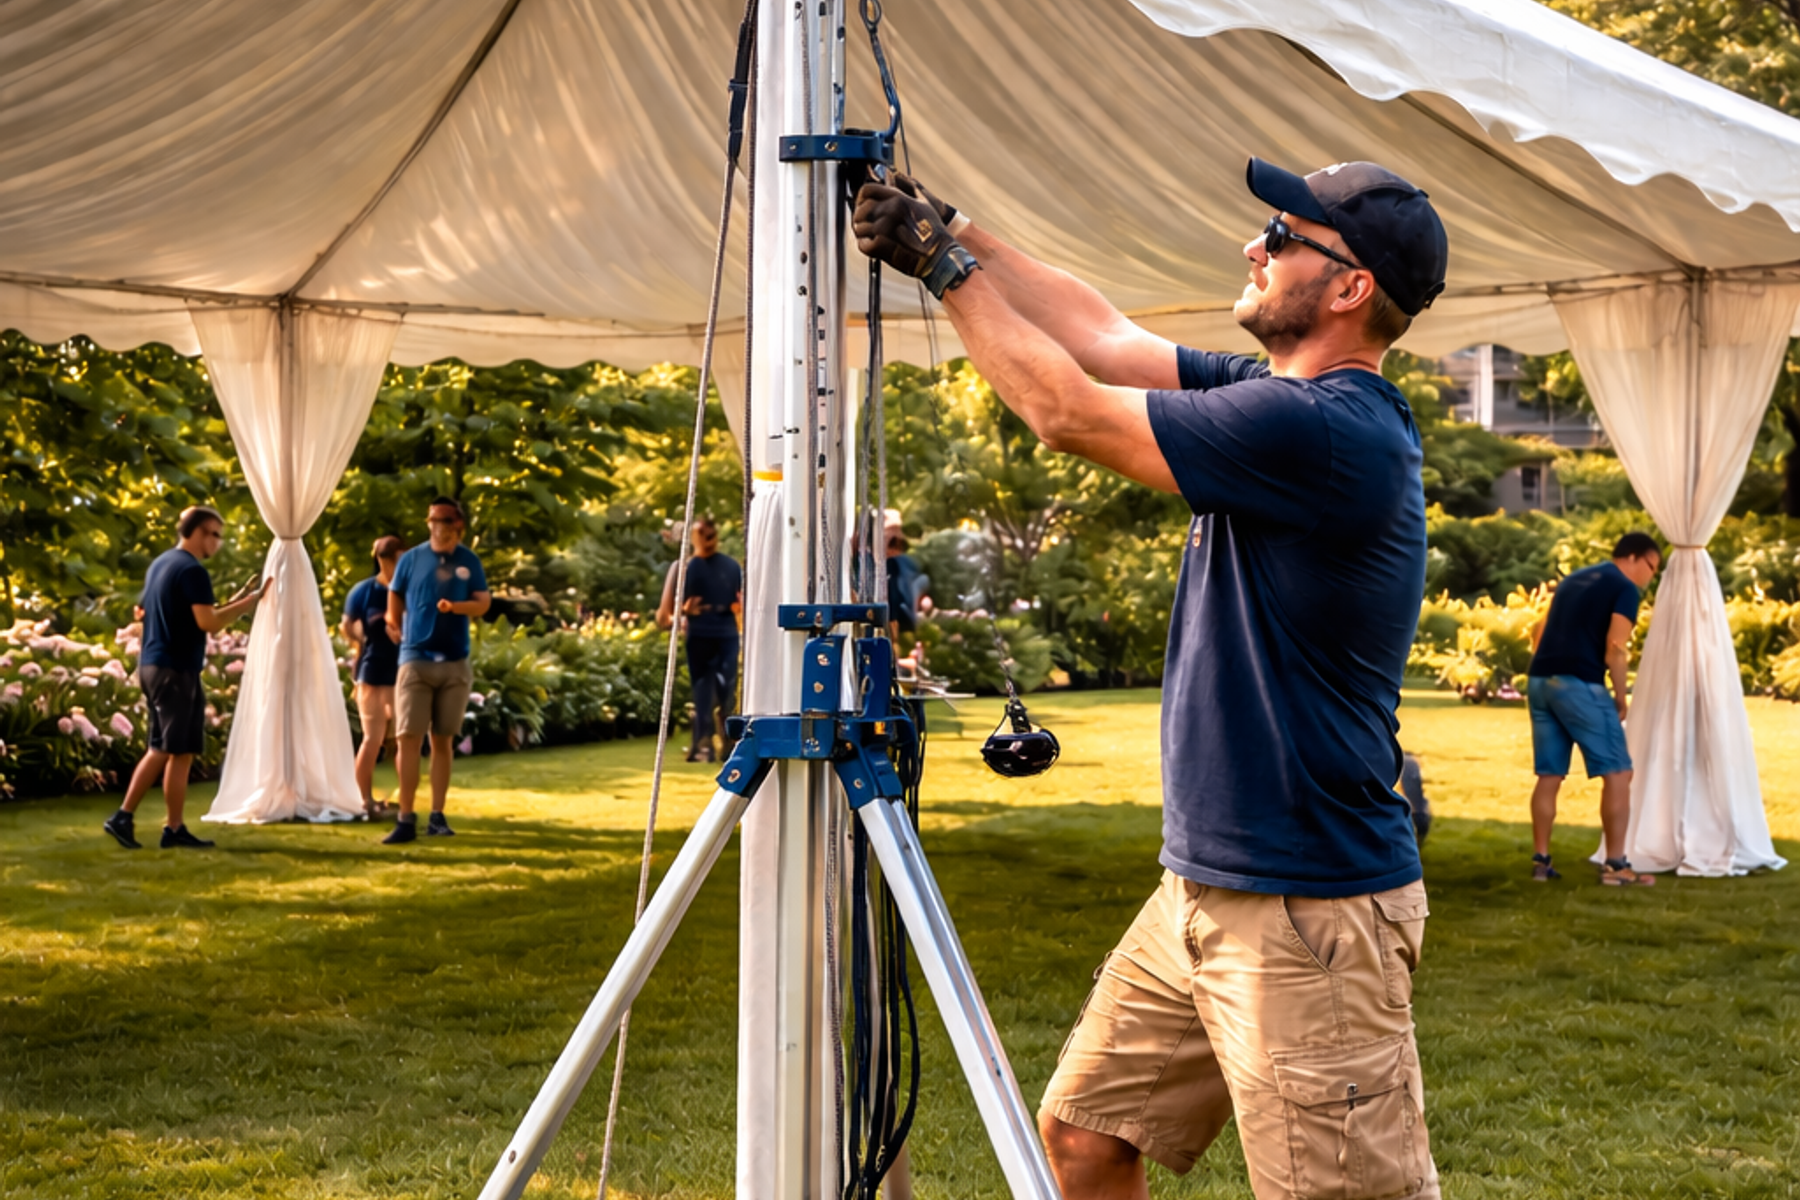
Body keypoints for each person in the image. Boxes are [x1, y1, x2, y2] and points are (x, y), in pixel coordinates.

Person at [855, 156, 1448, 1198]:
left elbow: (1070, 409)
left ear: (1351, 288)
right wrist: (961, 230)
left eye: (1284, 237)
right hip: (1205, 884)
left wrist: (942, 267)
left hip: (1309, 906)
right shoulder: (1278, 396)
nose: (1254, 247)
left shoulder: (1321, 429)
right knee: (1087, 1134)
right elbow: (1104, 338)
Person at [102, 506, 267, 850]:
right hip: (173, 669)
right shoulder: (193, 571)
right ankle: (122, 816)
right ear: (196, 532)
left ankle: (174, 829)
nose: (218, 543)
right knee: (165, 748)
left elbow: (181, 614)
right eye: (214, 534)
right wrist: (248, 605)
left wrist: (232, 603)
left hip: (159, 666)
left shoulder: (162, 564)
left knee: (183, 749)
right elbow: (208, 623)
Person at [1525, 532, 1662, 886]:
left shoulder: (1575, 579)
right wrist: (1620, 695)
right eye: (1651, 567)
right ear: (1633, 557)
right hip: (1580, 683)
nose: (1650, 578)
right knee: (1618, 772)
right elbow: (1615, 647)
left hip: (1540, 680)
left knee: (1549, 775)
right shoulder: (1624, 588)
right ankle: (1616, 867)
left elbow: (1540, 629)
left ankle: (1541, 862)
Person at [381, 498, 490, 845]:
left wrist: (456, 607)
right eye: (431, 520)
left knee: (442, 741)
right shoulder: (412, 558)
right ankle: (405, 818)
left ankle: (437, 817)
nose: (435, 526)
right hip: (415, 659)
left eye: (443, 520)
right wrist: (392, 620)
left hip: (455, 664)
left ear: (458, 524)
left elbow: (483, 602)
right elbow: (394, 594)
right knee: (407, 739)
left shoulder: (469, 561)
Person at [655, 515, 742, 763]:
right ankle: (703, 745)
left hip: (726, 633)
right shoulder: (682, 568)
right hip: (700, 634)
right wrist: (684, 612)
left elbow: (743, 605)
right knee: (704, 690)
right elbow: (664, 617)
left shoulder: (731, 567)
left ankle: (727, 743)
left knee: (727, 691)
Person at [341, 535, 405, 820]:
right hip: (373, 671)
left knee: (403, 741)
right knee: (373, 738)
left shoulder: (409, 591)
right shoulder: (364, 591)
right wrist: (361, 636)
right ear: (382, 560)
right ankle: (364, 801)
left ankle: (407, 801)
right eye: (395, 560)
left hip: (404, 671)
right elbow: (347, 624)